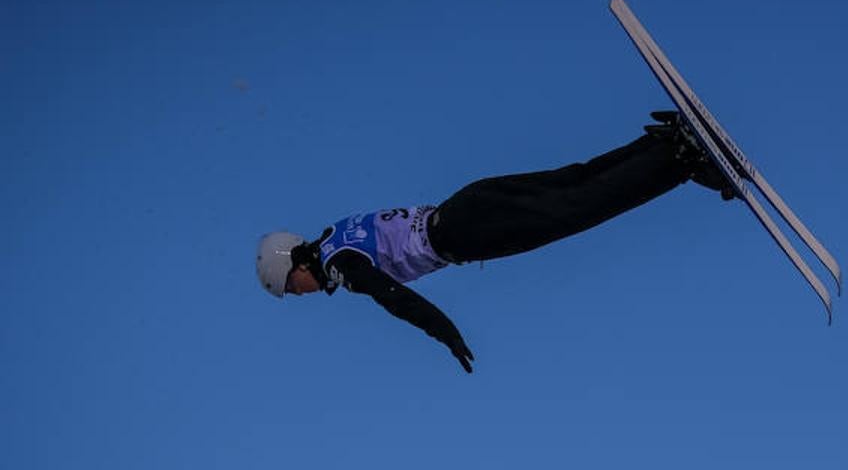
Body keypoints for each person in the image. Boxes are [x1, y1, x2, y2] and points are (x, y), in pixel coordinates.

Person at [255, 112, 732, 373]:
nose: (301, 293)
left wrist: (445, 333)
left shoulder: (338, 259)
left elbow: (393, 297)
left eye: (292, 286)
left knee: (580, 207)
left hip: (467, 232)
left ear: (295, 262)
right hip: (469, 202)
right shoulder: (336, 233)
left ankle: (680, 160)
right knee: (575, 183)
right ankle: (666, 144)